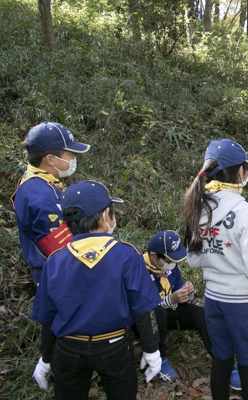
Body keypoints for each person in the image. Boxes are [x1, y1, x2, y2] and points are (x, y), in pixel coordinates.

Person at [30, 180, 162, 399]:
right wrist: (152, 348)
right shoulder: (127, 255)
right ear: (104, 215)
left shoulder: (55, 260)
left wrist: (45, 357)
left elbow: (47, 316)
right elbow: (143, 308)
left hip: (68, 348)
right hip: (114, 345)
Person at [184, 139, 248, 400]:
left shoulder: (199, 207)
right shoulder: (246, 212)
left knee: (221, 363)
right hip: (245, 305)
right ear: (240, 172)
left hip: (214, 300)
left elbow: (193, 260)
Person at [11, 122, 90, 285]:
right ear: (50, 160)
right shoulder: (44, 195)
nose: (74, 159)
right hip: (57, 274)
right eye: (71, 154)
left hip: (47, 270)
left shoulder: (32, 181)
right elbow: (62, 249)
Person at [143, 229, 212, 383]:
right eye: (168, 260)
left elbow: (178, 292)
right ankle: (159, 359)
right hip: (148, 317)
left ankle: (222, 359)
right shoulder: (139, 269)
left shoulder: (171, 267)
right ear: (154, 256)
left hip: (170, 310)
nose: (172, 264)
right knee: (159, 313)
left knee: (202, 316)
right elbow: (143, 306)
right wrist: (171, 299)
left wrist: (187, 292)